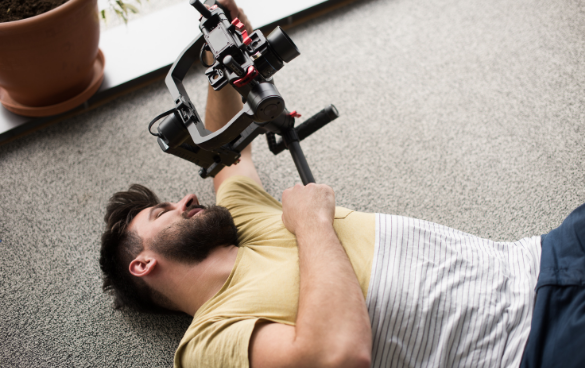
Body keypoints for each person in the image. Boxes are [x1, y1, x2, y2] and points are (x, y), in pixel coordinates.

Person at [99, 2, 585, 367]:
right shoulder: (209, 338)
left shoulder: (242, 221)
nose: (185, 198)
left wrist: (218, 46)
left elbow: (223, 155)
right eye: (163, 212)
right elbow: (336, 355)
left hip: (543, 257)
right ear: (143, 263)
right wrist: (312, 225)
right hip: (533, 344)